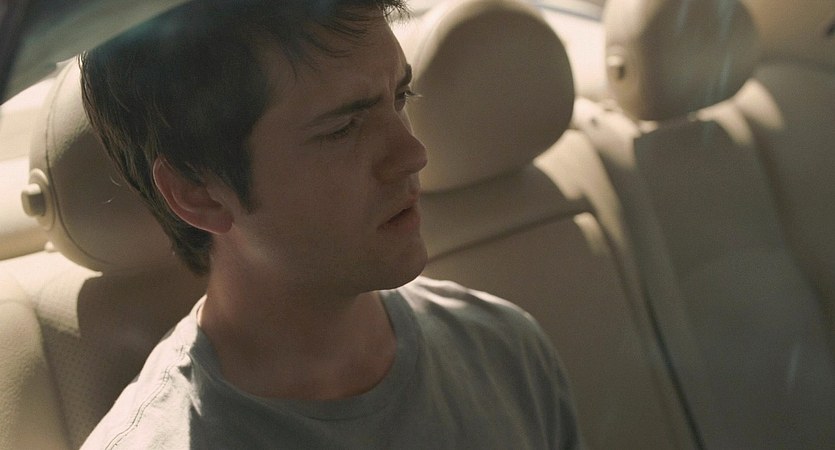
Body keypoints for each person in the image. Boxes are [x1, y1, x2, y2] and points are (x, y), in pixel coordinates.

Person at [79, 0, 581, 448]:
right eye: (343, 128)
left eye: (401, 97)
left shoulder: (505, 352)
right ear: (199, 193)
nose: (413, 154)